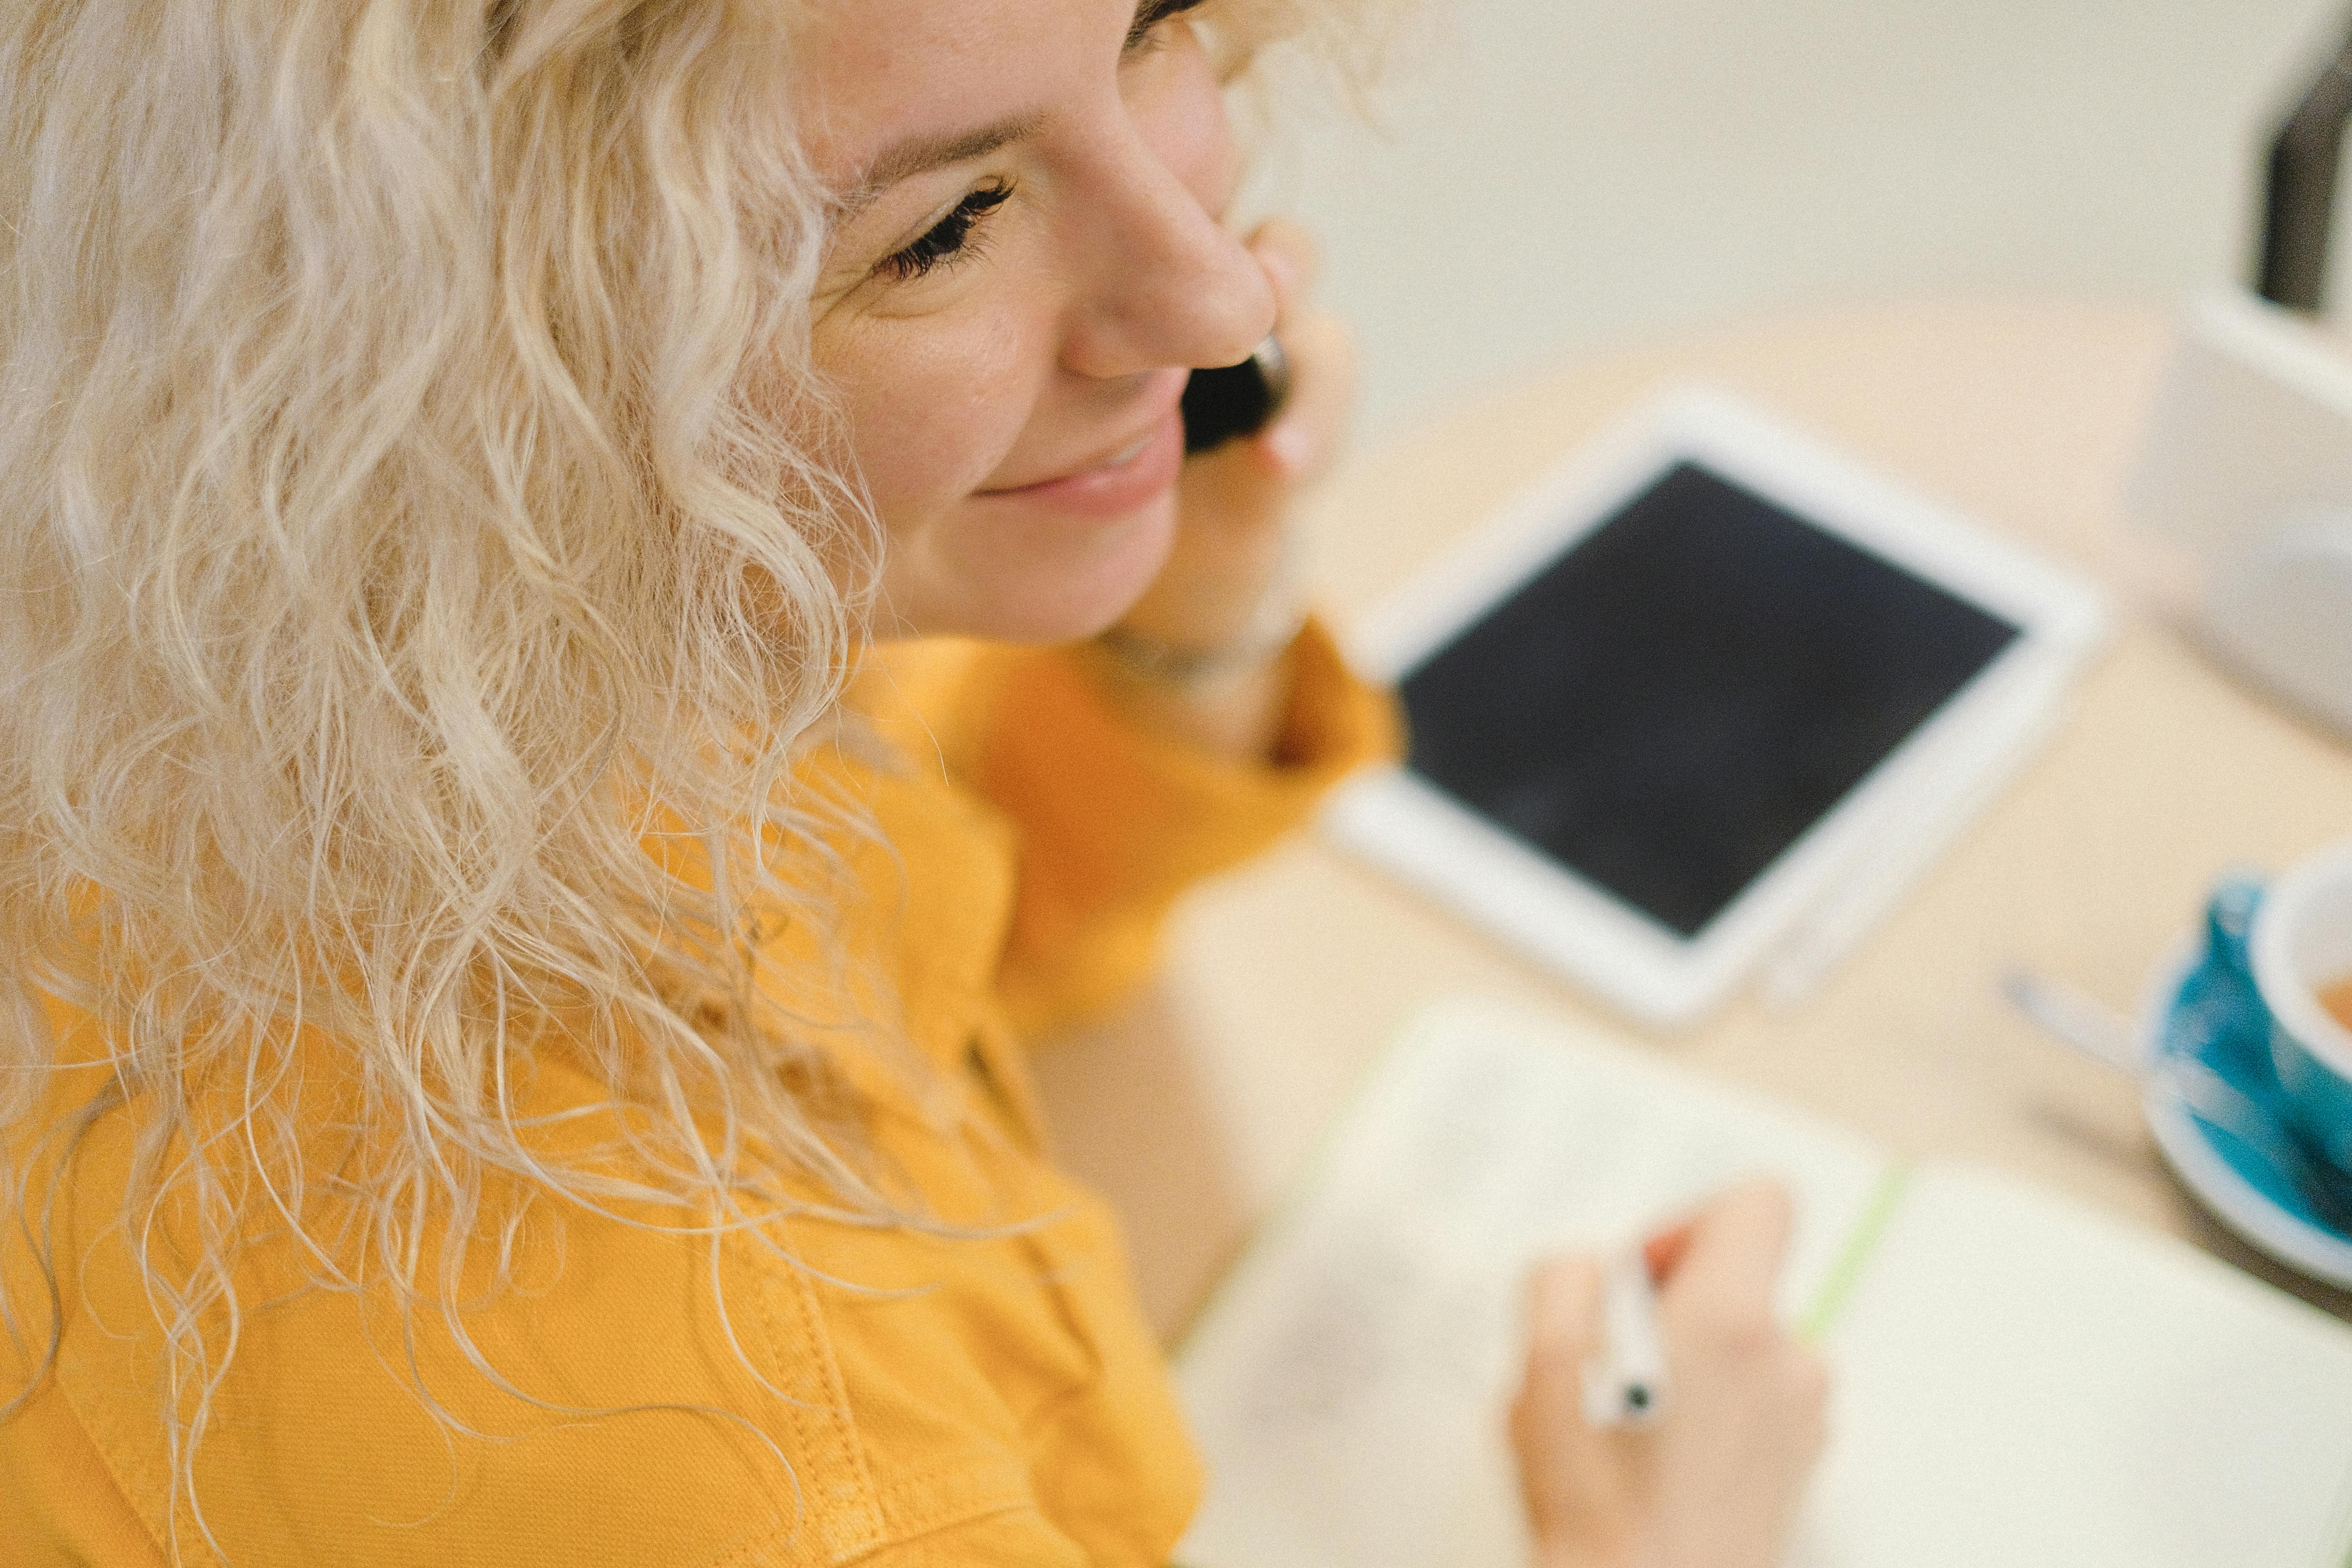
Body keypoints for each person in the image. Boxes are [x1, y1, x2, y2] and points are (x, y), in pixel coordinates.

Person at [0, 1, 1825, 1564]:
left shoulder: (336, 643)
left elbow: (931, 930)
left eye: (1147, 24)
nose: (1213, 300)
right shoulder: (766, 1446)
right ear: (452, 386)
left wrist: (1186, 622)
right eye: (945, 230)